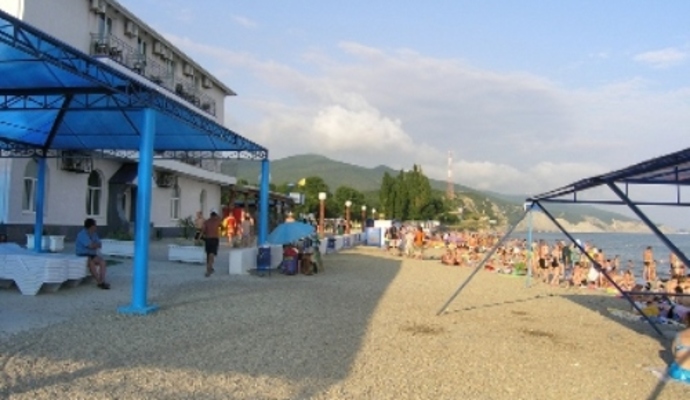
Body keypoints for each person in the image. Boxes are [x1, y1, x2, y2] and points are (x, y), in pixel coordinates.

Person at [75, 218, 109, 289]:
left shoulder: (94, 234)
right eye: (95, 225)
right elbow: (90, 246)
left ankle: (102, 280)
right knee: (91, 263)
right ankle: (99, 282)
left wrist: (94, 245)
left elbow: (99, 244)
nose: (96, 227)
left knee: (102, 262)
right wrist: (94, 245)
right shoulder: (82, 234)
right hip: (82, 254)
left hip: (92, 254)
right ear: (91, 226)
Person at [202, 209, 222, 277]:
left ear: (210, 215)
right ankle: (209, 269)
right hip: (214, 238)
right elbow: (221, 221)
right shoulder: (217, 221)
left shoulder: (206, 222)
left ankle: (209, 268)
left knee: (208, 254)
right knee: (212, 254)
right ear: (215, 215)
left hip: (208, 239)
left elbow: (203, 230)